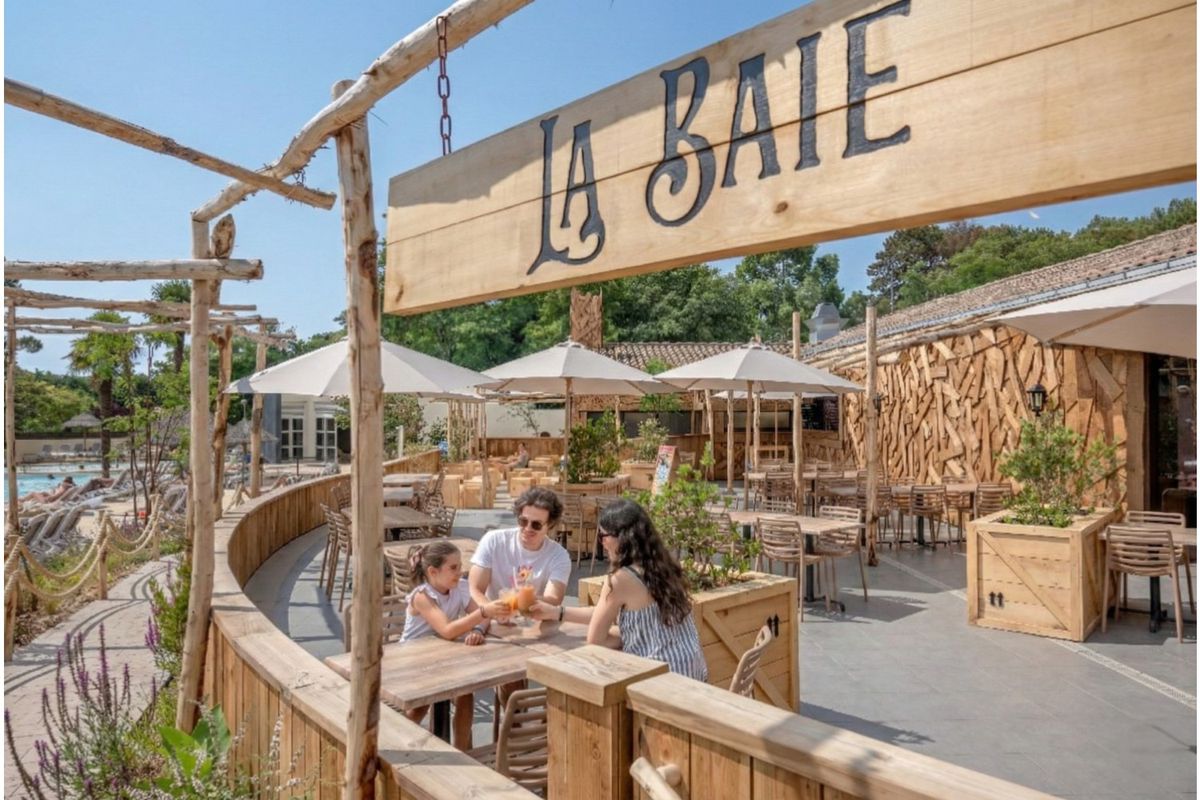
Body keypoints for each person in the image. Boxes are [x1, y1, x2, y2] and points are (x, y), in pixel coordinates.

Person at [528, 498, 708, 681]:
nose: (601, 543)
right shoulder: (664, 566)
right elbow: (608, 613)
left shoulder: (620, 580)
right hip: (692, 671)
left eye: (602, 536)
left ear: (623, 538)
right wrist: (555, 612)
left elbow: (595, 641)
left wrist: (624, 635)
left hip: (661, 681)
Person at [401, 541, 510, 749]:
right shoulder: (422, 596)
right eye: (453, 568)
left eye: (460, 566)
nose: (460, 572)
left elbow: (482, 617)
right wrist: (483, 613)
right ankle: (394, 742)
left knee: (465, 693)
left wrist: (478, 629)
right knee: (420, 706)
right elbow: (448, 630)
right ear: (433, 572)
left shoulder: (459, 587)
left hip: (443, 658)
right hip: (413, 662)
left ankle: (462, 750)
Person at [468, 486, 572, 609]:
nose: (528, 528)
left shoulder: (559, 556)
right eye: (523, 521)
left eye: (536, 525)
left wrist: (518, 601)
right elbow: (475, 589)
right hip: (491, 615)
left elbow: (553, 600)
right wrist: (490, 613)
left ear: (550, 525)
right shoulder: (494, 541)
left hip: (534, 616)